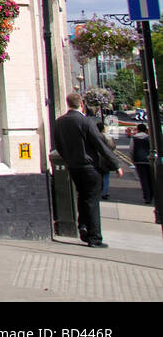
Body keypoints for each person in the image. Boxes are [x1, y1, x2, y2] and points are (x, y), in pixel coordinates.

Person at [52, 92, 123, 248]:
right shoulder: (85, 122)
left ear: (68, 103)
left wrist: (69, 159)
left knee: (82, 197)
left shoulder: (59, 122)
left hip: (74, 167)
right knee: (92, 200)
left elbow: (59, 145)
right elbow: (100, 145)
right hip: (90, 167)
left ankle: (83, 226)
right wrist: (116, 165)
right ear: (82, 104)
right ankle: (94, 237)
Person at [132, 124, 153, 204]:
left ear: (137, 129)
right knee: (151, 179)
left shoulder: (134, 138)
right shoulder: (149, 138)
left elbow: (131, 150)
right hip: (149, 160)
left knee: (144, 180)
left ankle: (147, 197)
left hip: (139, 161)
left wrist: (133, 160)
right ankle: (152, 195)